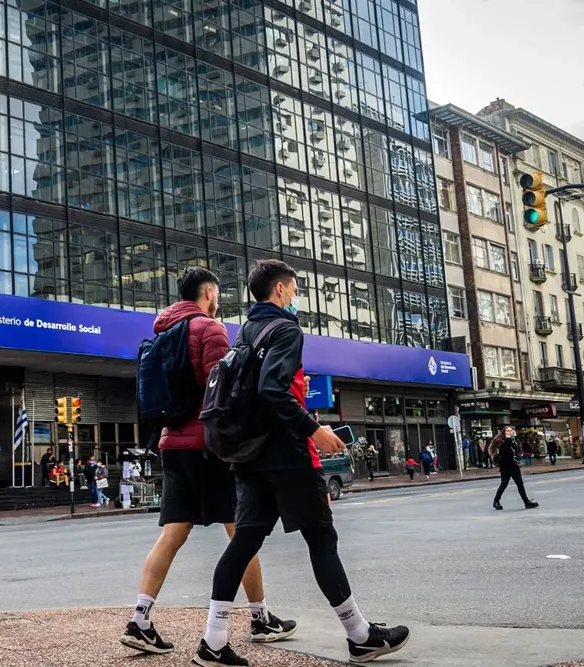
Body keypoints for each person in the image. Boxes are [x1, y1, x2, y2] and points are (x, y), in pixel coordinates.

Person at [193, 260, 408, 666]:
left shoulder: (248, 332)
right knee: (321, 539)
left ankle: (214, 640)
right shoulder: (287, 329)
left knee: (244, 543)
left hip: (249, 456)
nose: (295, 295)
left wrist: (295, 390)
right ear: (279, 290)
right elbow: (272, 391)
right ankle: (359, 635)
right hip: (288, 456)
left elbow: (264, 389)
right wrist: (314, 429)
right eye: (293, 288)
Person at [122, 266, 296, 657]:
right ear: (208, 291)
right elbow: (222, 390)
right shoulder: (209, 329)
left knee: (172, 534)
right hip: (208, 446)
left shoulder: (163, 330)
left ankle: (140, 619)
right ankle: (260, 617)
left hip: (171, 443)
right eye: (217, 292)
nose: (219, 299)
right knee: (243, 530)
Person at [490, 427, 539, 511]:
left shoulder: (514, 441)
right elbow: (506, 451)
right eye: (508, 431)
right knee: (504, 485)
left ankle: (526, 502)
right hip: (506, 467)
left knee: (520, 484)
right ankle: (496, 501)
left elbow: (516, 452)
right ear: (504, 432)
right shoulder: (502, 442)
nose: (510, 432)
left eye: (511, 431)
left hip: (514, 466)